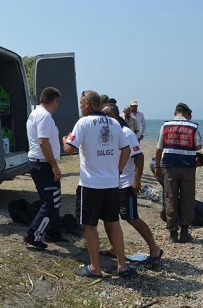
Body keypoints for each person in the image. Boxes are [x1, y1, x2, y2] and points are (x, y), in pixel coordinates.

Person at [63, 90, 135, 278]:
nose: (80, 106)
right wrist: (117, 171)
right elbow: (126, 151)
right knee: (114, 223)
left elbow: (69, 150)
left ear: (87, 104)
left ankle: (95, 268)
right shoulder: (114, 123)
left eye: (81, 103)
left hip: (91, 185)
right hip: (111, 184)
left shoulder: (83, 123)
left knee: (90, 225)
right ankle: (122, 265)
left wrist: (65, 140)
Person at [99, 104, 164, 269]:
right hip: (111, 183)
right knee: (109, 217)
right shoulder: (111, 132)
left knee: (130, 217)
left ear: (113, 116)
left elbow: (139, 157)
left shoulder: (126, 133)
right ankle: (114, 248)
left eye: (105, 116)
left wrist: (137, 180)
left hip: (126, 183)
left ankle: (154, 249)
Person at [23, 87, 67, 249]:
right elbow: (43, 142)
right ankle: (33, 234)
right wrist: (54, 166)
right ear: (54, 101)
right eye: (58, 102)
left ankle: (53, 232)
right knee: (50, 203)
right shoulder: (44, 116)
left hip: (39, 163)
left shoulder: (36, 113)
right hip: (43, 165)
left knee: (52, 201)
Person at [154, 103, 202, 243]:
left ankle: (173, 230)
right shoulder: (193, 126)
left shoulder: (166, 125)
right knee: (187, 197)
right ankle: (185, 231)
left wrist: (157, 166)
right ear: (186, 113)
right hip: (187, 166)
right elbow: (199, 145)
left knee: (170, 197)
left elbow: (159, 148)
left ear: (175, 112)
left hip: (170, 165)